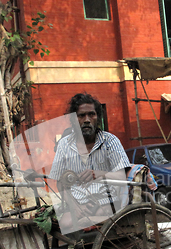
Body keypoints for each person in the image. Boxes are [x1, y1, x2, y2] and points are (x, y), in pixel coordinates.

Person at [49, 93, 131, 232]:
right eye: (81, 116)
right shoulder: (64, 145)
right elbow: (60, 181)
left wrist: (97, 174)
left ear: (97, 117)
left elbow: (122, 177)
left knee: (94, 219)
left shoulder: (110, 141)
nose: (87, 120)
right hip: (77, 203)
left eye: (91, 114)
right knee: (65, 223)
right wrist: (74, 205)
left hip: (107, 202)